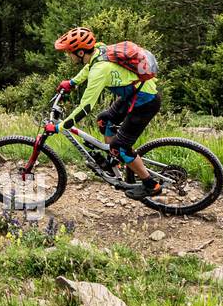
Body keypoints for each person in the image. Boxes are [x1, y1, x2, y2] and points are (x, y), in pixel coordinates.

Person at [50, 26, 162, 200]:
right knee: (104, 120)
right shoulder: (98, 50)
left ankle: (151, 185)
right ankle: (113, 160)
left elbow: (85, 107)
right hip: (133, 95)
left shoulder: (100, 70)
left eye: (69, 52)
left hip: (145, 102)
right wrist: (72, 82)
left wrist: (60, 126)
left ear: (80, 53)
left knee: (121, 147)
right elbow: (89, 67)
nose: (68, 55)